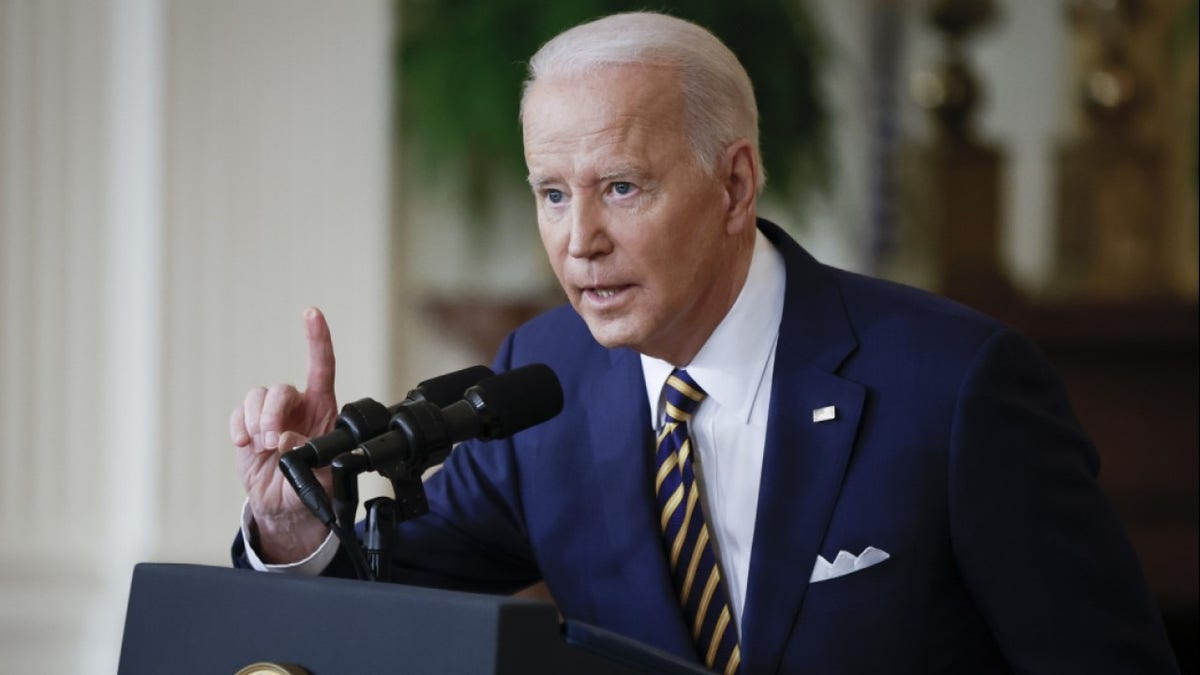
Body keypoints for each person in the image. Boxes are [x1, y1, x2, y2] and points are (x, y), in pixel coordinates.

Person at [230, 12, 1178, 674]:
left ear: (734, 186)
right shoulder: (544, 376)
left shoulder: (956, 386)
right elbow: (383, 603)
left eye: (622, 188)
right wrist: (290, 517)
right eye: (553, 193)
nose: (578, 239)